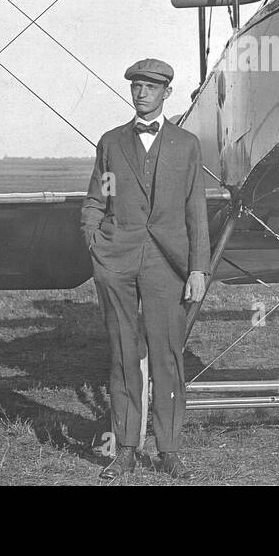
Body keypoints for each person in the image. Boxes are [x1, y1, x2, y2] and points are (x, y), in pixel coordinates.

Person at [80, 58, 210, 480]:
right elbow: (97, 199)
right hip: (116, 261)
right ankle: (127, 451)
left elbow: (196, 211)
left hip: (166, 264)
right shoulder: (112, 143)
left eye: (151, 87)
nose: (142, 93)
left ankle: (169, 450)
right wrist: (96, 243)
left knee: (167, 357)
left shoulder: (187, 145)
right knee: (122, 355)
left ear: (167, 93)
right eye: (136, 85)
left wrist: (198, 269)